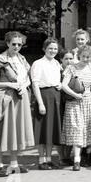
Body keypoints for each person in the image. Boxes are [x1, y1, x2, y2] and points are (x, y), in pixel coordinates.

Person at [0, 31, 34, 177]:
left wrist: (25, 84)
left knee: (15, 131)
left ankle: (14, 164)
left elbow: (29, 77)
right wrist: (10, 85)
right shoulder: (0, 59)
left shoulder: (22, 58)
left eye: (19, 44)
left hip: (20, 99)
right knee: (0, 130)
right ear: (7, 44)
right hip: (5, 99)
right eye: (14, 44)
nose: (17, 47)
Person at [31, 38, 63, 170]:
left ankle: (49, 159)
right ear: (44, 49)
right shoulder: (38, 64)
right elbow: (35, 84)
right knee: (42, 129)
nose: (53, 51)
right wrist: (40, 103)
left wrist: (60, 84)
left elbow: (58, 79)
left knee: (51, 129)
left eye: (55, 49)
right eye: (50, 48)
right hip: (44, 97)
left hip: (55, 96)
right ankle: (41, 160)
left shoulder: (56, 63)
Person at [58, 50, 75, 166]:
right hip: (59, 102)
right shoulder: (57, 71)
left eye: (71, 59)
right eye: (66, 59)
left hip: (71, 102)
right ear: (61, 60)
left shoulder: (74, 71)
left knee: (69, 129)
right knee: (59, 129)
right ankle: (61, 156)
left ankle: (68, 156)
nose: (69, 61)